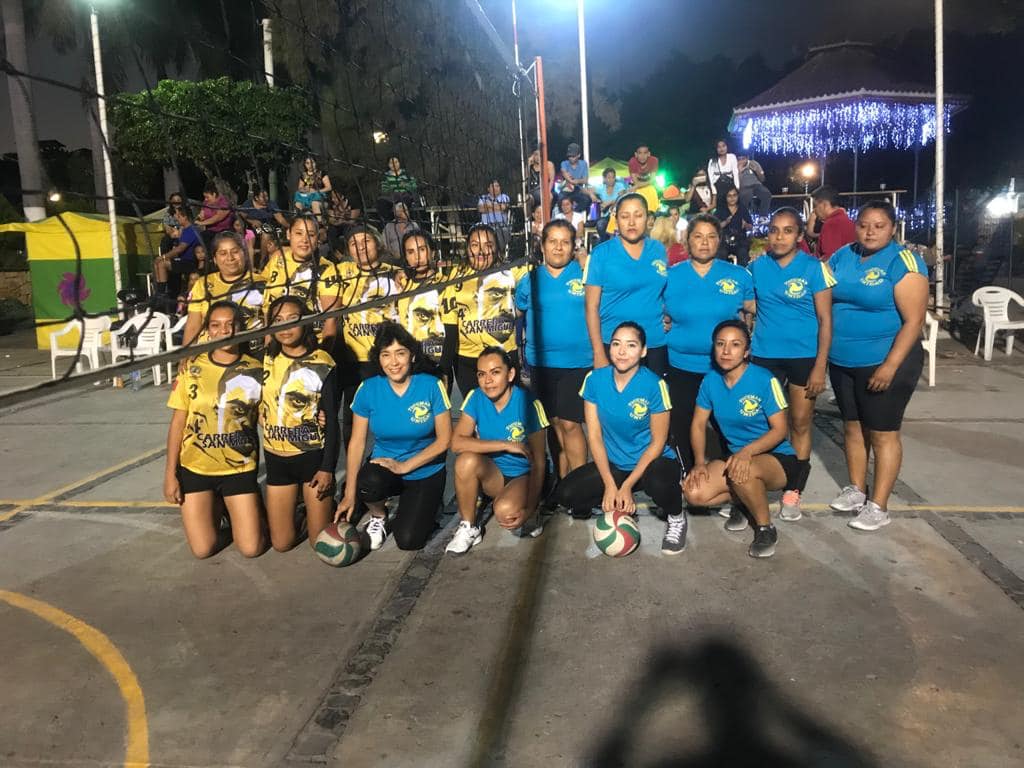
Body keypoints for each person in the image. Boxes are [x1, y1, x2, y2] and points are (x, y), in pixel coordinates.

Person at [827, 201, 928, 531]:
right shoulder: (843, 255)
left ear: (893, 228)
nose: (869, 231)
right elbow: (821, 291)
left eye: (879, 225)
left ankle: (879, 505)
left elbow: (914, 322)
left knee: (883, 434)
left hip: (885, 360)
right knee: (853, 428)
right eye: (864, 224)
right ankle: (857, 490)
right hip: (843, 361)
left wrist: (889, 366)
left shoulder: (904, 261)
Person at [550, 322, 686, 554]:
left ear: (643, 351)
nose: (622, 351)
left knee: (659, 484)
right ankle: (618, 503)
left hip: (653, 461)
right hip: (616, 465)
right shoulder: (594, 380)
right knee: (567, 494)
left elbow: (658, 442)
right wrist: (611, 486)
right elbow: (594, 436)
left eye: (631, 345)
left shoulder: (655, 385)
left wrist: (628, 485)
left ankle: (676, 517)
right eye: (616, 344)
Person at [749, 208, 835, 521]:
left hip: (803, 357)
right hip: (764, 356)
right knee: (766, 424)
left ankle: (793, 489)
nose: (779, 237)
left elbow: (826, 320)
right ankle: (757, 481)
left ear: (799, 236)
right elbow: (746, 305)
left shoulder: (814, 269)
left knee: (799, 422)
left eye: (787, 231)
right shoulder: (757, 268)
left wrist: (819, 366)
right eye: (774, 230)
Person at [336, 322, 452, 551]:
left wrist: (405, 466)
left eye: (400, 353)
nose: (394, 362)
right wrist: (350, 494)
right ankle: (378, 515)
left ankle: (428, 505)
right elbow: (357, 442)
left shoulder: (431, 385)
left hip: (424, 468)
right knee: (368, 483)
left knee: (409, 541)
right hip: (385, 465)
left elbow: (445, 440)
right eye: (386, 355)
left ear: (412, 356)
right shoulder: (368, 388)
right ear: (378, 359)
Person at [683, 320, 794, 558]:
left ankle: (765, 528)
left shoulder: (765, 380)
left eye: (735, 345)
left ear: (746, 351)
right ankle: (744, 502)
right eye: (720, 344)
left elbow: (780, 430)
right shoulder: (710, 380)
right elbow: (698, 424)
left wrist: (747, 452)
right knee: (694, 493)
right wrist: (700, 462)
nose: (726, 351)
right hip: (736, 458)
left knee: (741, 470)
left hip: (777, 457)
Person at [163, 301, 264, 559]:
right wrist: (170, 474)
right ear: (207, 331)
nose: (224, 331)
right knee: (203, 549)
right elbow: (178, 423)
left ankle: (247, 512)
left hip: (238, 467)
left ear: (241, 328)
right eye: (216, 325)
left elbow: (269, 416)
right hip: (196, 468)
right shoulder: (191, 369)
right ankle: (218, 507)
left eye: (231, 324)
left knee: (251, 549)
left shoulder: (257, 370)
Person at [664, 214, 755, 473]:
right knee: (682, 424)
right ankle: (689, 475)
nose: (704, 243)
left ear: (720, 240)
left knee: (730, 425)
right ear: (687, 240)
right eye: (698, 236)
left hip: (724, 369)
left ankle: (734, 481)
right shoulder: (670, 276)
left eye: (711, 236)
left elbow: (757, 311)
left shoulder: (739, 276)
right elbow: (658, 314)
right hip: (681, 366)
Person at [447, 347, 549, 555]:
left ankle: (533, 507)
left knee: (505, 512)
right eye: (482, 374)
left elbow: (539, 462)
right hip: (494, 474)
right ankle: (469, 526)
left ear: (510, 374)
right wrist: (504, 444)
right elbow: (457, 443)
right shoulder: (475, 398)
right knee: (465, 461)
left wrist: (529, 507)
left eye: (495, 372)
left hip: (523, 475)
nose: (488, 380)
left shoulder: (529, 403)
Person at [260, 296, 339, 551]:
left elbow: (333, 423)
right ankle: (295, 512)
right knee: (282, 544)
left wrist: (327, 468)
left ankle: (328, 504)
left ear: (305, 321)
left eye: (292, 320)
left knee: (320, 543)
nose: (285, 327)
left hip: (311, 459)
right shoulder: (264, 360)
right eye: (278, 321)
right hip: (276, 460)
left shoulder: (323, 363)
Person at [515, 219, 591, 478]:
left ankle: (580, 486)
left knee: (570, 423)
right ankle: (563, 482)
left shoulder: (584, 273)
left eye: (565, 242)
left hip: (577, 363)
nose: (559, 248)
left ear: (573, 246)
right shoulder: (530, 280)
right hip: (541, 364)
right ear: (543, 246)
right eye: (553, 241)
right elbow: (519, 313)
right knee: (553, 423)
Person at [584, 193, 669, 375]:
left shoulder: (658, 250)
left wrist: (669, 315)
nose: (631, 222)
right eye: (625, 216)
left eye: (638, 215)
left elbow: (663, 292)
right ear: (616, 219)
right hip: (615, 345)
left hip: (654, 343)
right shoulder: (601, 254)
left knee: (654, 401)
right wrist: (599, 352)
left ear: (648, 218)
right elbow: (591, 307)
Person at [332, 225, 401, 444]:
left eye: (366, 241)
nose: (360, 247)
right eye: (354, 243)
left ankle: (388, 467)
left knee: (391, 418)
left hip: (387, 360)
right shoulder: (339, 273)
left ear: (378, 243)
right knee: (352, 421)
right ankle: (354, 472)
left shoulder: (395, 273)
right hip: (355, 361)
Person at [445, 224, 525, 396]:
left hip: (503, 356)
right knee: (474, 416)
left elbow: (543, 271)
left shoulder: (511, 271)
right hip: (467, 360)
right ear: (467, 248)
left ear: (496, 249)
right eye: (475, 245)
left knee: (508, 416)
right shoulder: (454, 275)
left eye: (488, 245)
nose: (480, 251)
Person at [261, 215, 341, 349]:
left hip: (309, 346)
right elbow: (267, 305)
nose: (304, 240)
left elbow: (331, 320)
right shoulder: (277, 259)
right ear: (288, 234)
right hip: (277, 342)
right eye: (298, 233)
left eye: (311, 234)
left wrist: (322, 357)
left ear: (318, 239)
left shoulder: (327, 269)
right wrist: (269, 346)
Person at [183, 231, 266, 358]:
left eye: (235, 251)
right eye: (223, 253)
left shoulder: (262, 283)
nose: (230, 258)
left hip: (252, 356)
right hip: (209, 356)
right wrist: (187, 356)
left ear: (245, 254)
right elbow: (193, 325)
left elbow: (271, 326)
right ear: (215, 259)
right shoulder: (202, 284)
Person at [396, 230, 457, 381]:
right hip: (408, 365)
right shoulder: (402, 285)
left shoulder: (444, 284)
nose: (417, 257)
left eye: (422, 250)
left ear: (433, 252)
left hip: (436, 364)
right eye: (411, 252)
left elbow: (451, 332)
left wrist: (444, 369)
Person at [153, 206, 204, 298]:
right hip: (182, 260)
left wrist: (164, 256)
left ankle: (162, 293)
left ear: (185, 217)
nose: (176, 218)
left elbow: (180, 248)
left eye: (179, 216)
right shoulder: (184, 230)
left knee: (162, 263)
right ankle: (159, 291)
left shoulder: (191, 230)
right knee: (157, 263)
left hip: (189, 262)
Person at [810, 186, 857, 262]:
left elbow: (829, 258)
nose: (814, 211)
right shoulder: (846, 220)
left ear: (824, 205)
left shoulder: (832, 224)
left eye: (815, 206)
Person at [195, 180, 235, 251]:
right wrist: (199, 218)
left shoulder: (224, 202)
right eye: (205, 197)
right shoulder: (206, 203)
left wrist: (202, 223)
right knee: (199, 238)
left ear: (214, 194)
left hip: (223, 230)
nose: (205, 199)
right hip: (210, 231)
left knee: (215, 241)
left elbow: (218, 217)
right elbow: (202, 213)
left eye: (207, 197)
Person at [718, 188, 753, 265]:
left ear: (738, 196)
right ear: (725, 197)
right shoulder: (720, 209)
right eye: (729, 196)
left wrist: (746, 225)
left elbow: (751, 227)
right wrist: (725, 222)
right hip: (724, 242)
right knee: (720, 255)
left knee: (743, 254)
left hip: (740, 241)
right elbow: (714, 227)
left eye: (734, 195)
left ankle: (741, 275)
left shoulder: (743, 209)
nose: (732, 198)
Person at [377, 155, 418, 223]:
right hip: (391, 197)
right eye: (391, 163)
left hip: (405, 196)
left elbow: (414, 186)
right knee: (381, 202)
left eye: (396, 162)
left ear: (399, 163)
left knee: (404, 203)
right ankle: (390, 222)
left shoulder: (407, 174)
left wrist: (406, 185)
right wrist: (391, 188)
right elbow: (384, 189)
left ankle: (404, 221)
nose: (394, 164)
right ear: (388, 165)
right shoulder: (385, 176)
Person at [558, 142, 594, 213]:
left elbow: (585, 180)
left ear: (579, 155)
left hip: (578, 189)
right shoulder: (564, 163)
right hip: (566, 189)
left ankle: (574, 214)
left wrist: (574, 180)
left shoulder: (583, 164)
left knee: (587, 200)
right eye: (569, 156)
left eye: (573, 156)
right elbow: (567, 177)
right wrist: (576, 180)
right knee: (560, 199)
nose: (571, 158)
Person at [478, 179, 511, 254]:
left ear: (500, 188)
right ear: (488, 189)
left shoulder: (504, 197)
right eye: (492, 186)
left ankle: (499, 255)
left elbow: (503, 207)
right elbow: (481, 209)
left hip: (501, 225)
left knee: (503, 232)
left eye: (497, 186)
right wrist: (497, 207)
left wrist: (488, 206)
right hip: (486, 226)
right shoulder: (483, 197)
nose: (495, 188)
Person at [708, 139, 740, 214]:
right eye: (719, 147)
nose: (721, 149)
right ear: (716, 149)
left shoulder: (732, 157)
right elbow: (711, 180)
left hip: (730, 185)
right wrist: (714, 193)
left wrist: (737, 189)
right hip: (718, 187)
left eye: (723, 146)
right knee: (722, 207)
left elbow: (735, 173)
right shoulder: (712, 161)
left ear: (727, 147)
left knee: (735, 202)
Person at [595, 168, 628, 241]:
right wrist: (593, 196)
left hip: (619, 214)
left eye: (613, 177)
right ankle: (605, 244)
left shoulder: (619, 186)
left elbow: (621, 197)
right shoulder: (601, 188)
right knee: (600, 224)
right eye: (609, 177)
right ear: (604, 178)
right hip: (607, 216)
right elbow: (588, 190)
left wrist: (608, 203)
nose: (611, 179)